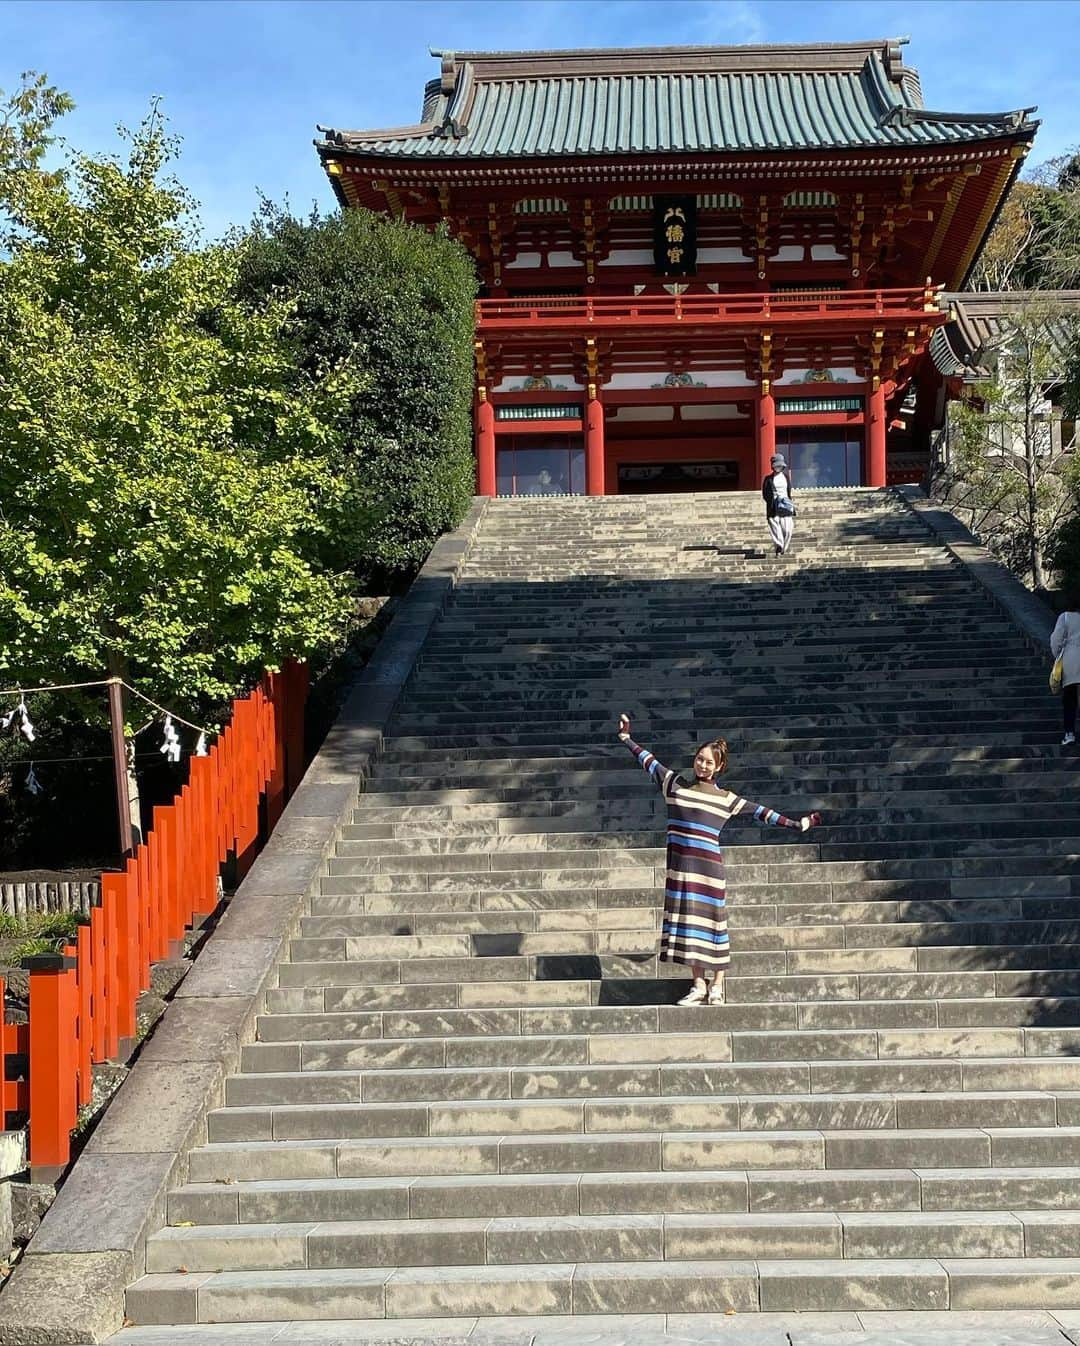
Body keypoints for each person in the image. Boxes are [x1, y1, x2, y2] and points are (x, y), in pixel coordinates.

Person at [617, 713, 821, 1005]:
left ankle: (717, 986)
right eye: (700, 759)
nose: (702, 765)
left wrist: (796, 824)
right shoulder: (674, 785)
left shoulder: (726, 798)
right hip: (682, 871)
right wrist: (626, 738)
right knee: (689, 924)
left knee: (714, 925)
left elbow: (762, 812)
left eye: (709, 762)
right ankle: (698, 984)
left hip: (709, 872)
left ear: (720, 767)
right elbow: (649, 761)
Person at [1051, 600, 1080, 746]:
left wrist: (1058, 655)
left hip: (1071, 661)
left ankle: (1069, 734)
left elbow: (1055, 639)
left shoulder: (1066, 617)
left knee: (1070, 699)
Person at [762, 452, 795, 556]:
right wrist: (773, 501)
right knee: (775, 527)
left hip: (785, 506)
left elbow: (789, 492)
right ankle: (779, 546)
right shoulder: (768, 479)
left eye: (780, 465)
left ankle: (784, 547)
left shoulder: (786, 477)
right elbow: (765, 494)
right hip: (773, 507)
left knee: (788, 529)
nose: (778, 467)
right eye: (776, 465)